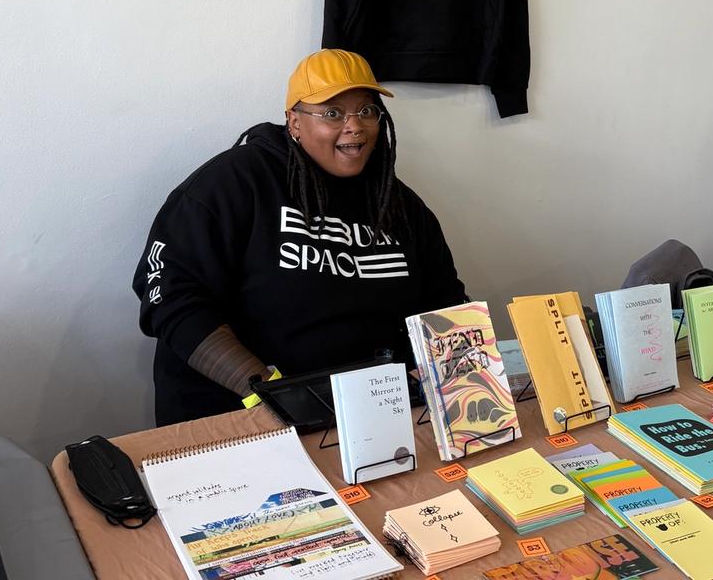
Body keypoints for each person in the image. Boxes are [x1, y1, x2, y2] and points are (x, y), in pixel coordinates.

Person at [133, 50, 467, 425]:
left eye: (367, 111)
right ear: (294, 121)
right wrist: (267, 390)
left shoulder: (400, 204)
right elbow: (171, 295)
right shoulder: (235, 182)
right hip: (242, 413)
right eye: (332, 113)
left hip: (372, 415)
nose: (355, 125)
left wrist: (441, 371)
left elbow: (446, 302)